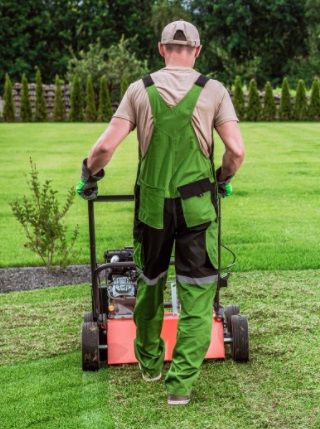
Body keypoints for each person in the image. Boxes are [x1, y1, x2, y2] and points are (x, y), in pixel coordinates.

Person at [76, 20, 245, 406]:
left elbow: (105, 147)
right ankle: (180, 386)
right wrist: (221, 178)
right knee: (200, 294)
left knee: (149, 282)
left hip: (153, 208)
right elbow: (236, 152)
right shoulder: (214, 91)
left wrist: (90, 173)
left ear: (161, 48)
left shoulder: (140, 89)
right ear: (198, 51)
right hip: (198, 208)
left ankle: (150, 363)